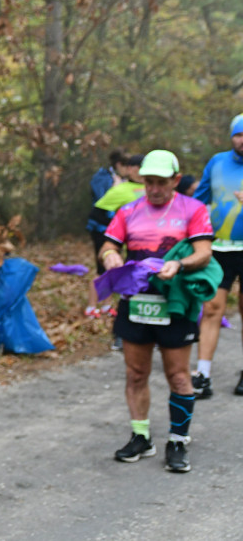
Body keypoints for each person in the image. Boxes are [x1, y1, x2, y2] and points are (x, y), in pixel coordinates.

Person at [99, 149, 214, 473]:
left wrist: (178, 263)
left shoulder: (193, 209)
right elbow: (109, 244)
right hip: (136, 302)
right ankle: (141, 436)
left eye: (161, 183)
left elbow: (204, 253)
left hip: (175, 303)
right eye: (149, 182)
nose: (154, 189)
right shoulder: (128, 210)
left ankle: (178, 439)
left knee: (178, 375)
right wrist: (110, 257)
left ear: (176, 180)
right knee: (136, 373)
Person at [191, 114, 243, 399]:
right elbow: (198, 200)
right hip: (219, 248)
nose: (242, 140)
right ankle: (203, 375)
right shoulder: (217, 162)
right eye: (239, 134)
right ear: (231, 136)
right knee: (212, 309)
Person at [84, 150, 128, 317]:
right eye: (127, 166)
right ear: (119, 165)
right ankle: (91, 306)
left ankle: (106, 305)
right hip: (101, 228)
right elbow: (101, 201)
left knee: (112, 267)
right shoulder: (102, 177)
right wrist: (116, 188)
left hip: (116, 228)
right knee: (102, 267)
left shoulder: (124, 180)